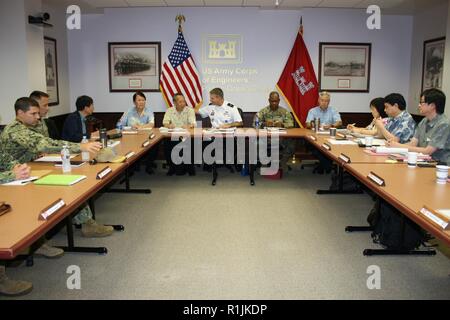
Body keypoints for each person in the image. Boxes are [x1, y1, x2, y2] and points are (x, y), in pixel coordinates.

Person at [0, 97, 113, 237]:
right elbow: (43, 143)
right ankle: (38, 242)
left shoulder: (27, 126)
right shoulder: (15, 130)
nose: (38, 116)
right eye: (33, 114)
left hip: (27, 171)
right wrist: (80, 146)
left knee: (68, 183)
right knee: (63, 186)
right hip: (16, 180)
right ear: (20, 113)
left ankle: (85, 223)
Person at [387, 88, 450, 165]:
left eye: (421, 102)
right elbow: (413, 143)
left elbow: (428, 151)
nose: (419, 105)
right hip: (423, 161)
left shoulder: (443, 124)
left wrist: (398, 146)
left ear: (432, 105)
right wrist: (394, 145)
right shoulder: (424, 121)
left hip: (440, 165)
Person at [255, 91, 295, 172]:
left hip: (281, 138)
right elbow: (255, 123)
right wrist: (263, 124)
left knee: (292, 144)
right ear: (269, 100)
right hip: (266, 138)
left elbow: (291, 123)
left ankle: (283, 162)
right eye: (272, 101)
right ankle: (264, 164)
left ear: (279, 101)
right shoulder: (263, 111)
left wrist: (282, 125)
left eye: (276, 101)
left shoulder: (284, 111)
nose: (274, 103)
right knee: (257, 144)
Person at [120, 91, 157, 174]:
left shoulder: (149, 111)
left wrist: (140, 127)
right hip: (131, 138)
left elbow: (152, 124)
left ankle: (149, 166)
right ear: (134, 102)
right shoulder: (129, 111)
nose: (141, 102)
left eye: (143, 100)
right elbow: (120, 124)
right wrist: (130, 127)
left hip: (145, 137)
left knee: (154, 145)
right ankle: (132, 167)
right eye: (139, 100)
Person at [163, 93, 197, 176]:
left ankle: (189, 167)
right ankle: (172, 167)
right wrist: (169, 125)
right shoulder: (169, 110)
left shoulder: (189, 110)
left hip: (186, 136)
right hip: (174, 136)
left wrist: (189, 126)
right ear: (174, 103)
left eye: (184, 101)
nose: (183, 103)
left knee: (191, 142)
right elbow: (165, 123)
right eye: (180, 102)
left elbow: (193, 123)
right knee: (167, 143)